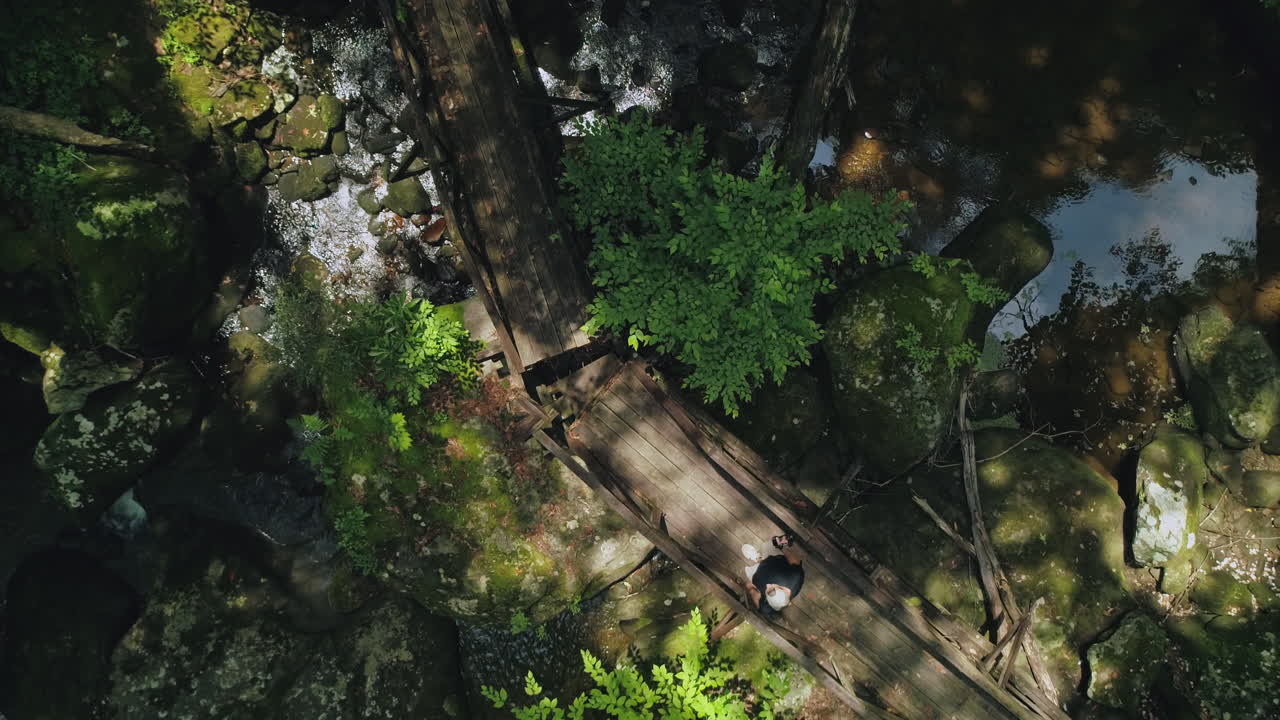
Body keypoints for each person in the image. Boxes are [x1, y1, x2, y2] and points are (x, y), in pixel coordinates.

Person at [741, 534, 804, 616]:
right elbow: (795, 561)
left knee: (749, 571)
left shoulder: (766, 608)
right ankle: (782, 543)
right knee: (767, 545)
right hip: (774, 559)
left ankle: (757, 558)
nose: (768, 585)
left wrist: (752, 586)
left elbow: (751, 590)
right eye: (772, 587)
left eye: (767, 591)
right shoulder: (795, 577)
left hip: (756, 572)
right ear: (782, 589)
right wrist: (783, 549)